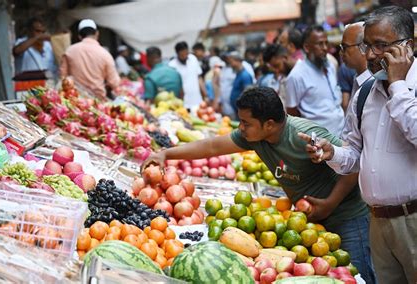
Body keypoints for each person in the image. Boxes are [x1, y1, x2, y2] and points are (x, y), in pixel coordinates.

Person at [142, 86, 374, 281]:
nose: (240, 127)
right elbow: (212, 146)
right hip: (310, 223)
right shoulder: (255, 137)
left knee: (356, 275)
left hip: (346, 215)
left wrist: (331, 203)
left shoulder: (304, 135)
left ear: (269, 124)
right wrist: (166, 154)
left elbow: (353, 163)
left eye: (245, 122)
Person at [300, 6, 416, 284]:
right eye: (368, 45)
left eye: (381, 45)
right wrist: (333, 153)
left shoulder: (406, 88)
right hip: (377, 221)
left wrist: (398, 86)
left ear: (408, 45)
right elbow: (355, 153)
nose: (372, 54)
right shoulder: (366, 91)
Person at [286, 25, 344, 136]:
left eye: (326, 43)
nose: (325, 48)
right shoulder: (296, 76)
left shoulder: (330, 66)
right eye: (320, 44)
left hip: (341, 135)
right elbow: (292, 114)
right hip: (318, 141)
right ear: (307, 47)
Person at [59, 19, 120, 99]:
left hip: (75, 99)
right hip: (98, 100)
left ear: (79, 36)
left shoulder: (69, 51)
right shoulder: (105, 54)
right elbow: (114, 83)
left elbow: (63, 77)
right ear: (97, 33)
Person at [338, 22, 372, 112]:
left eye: (345, 47)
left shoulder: (374, 85)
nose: (341, 53)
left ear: (363, 47)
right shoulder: (358, 78)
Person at [169, 41, 207, 109]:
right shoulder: (172, 65)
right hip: (183, 103)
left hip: (197, 100)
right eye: (182, 55)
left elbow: (199, 77)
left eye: (186, 53)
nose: (184, 56)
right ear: (177, 53)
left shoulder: (193, 59)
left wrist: (205, 94)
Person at [228, 51, 253, 118]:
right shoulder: (238, 74)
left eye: (231, 62)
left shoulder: (245, 75)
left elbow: (248, 95)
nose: (230, 65)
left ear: (238, 61)